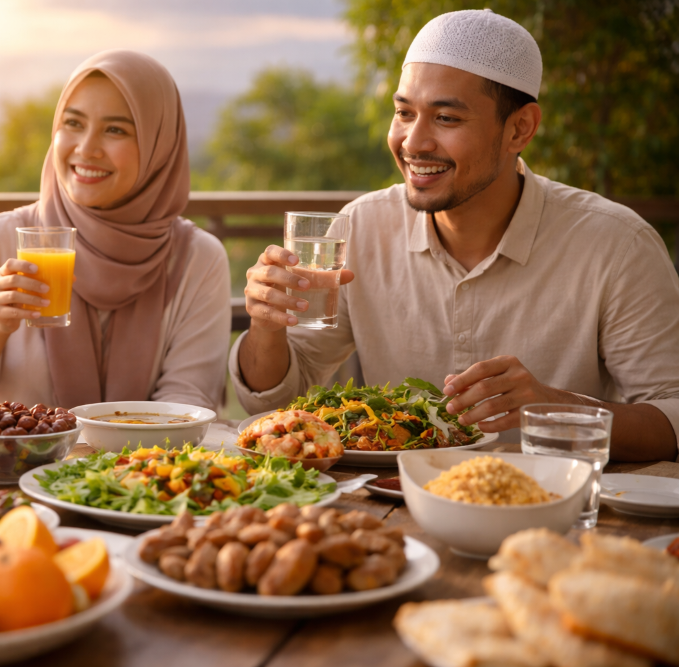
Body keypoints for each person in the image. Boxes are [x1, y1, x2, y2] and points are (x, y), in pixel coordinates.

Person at [231, 10, 679, 462]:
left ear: (520, 129)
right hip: (392, 495)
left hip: (554, 498)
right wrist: (266, 326)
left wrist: (554, 408)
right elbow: (276, 402)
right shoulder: (363, 227)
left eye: (446, 118)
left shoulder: (617, 245)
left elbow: (673, 416)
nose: (413, 143)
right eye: (404, 113)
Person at [0, 50, 230, 415]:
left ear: (160, 146)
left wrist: (98, 450)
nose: (86, 148)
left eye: (115, 130)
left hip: (146, 455)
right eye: (73, 123)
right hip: (10, 455)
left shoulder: (197, 258)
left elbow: (188, 405)